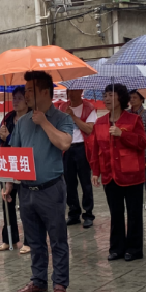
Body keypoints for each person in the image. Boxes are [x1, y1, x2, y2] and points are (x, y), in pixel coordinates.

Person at [6, 71, 74, 292]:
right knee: (34, 240)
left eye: (30, 91)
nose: (25, 95)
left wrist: (44, 122)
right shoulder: (22, 122)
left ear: (45, 92)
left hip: (51, 189)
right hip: (26, 190)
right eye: (25, 90)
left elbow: (64, 143)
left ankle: (60, 283)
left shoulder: (61, 118)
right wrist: (9, 183)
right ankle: (38, 280)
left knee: (57, 239)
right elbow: (15, 154)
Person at [88, 84, 146, 262]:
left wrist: (122, 134)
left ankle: (134, 249)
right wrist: (95, 171)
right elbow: (95, 149)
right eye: (105, 95)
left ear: (121, 98)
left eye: (110, 95)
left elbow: (142, 143)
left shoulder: (134, 120)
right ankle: (116, 248)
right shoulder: (100, 122)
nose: (106, 99)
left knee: (134, 213)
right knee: (115, 213)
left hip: (132, 175)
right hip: (110, 175)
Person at [0, 86, 30, 252]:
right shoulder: (8, 118)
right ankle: (9, 239)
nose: (15, 101)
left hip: (24, 165)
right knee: (7, 202)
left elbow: (26, 143)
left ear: (27, 100)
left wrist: (9, 137)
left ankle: (29, 240)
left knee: (26, 204)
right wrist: (0, 135)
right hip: (7, 164)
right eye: (14, 98)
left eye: (19, 98)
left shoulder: (31, 118)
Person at [58, 89, 97, 228]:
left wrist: (73, 117)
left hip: (82, 148)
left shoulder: (89, 108)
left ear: (80, 90)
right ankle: (73, 213)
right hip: (67, 148)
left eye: (74, 91)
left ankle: (88, 214)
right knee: (69, 183)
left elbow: (89, 129)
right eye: (69, 91)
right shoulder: (62, 107)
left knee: (85, 182)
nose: (71, 93)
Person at [128, 90, 146, 211]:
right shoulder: (126, 114)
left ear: (141, 100)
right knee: (132, 177)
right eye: (130, 98)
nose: (132, 100)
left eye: (135, 97)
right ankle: (136, 200)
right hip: (130, 151)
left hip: (144, 150)